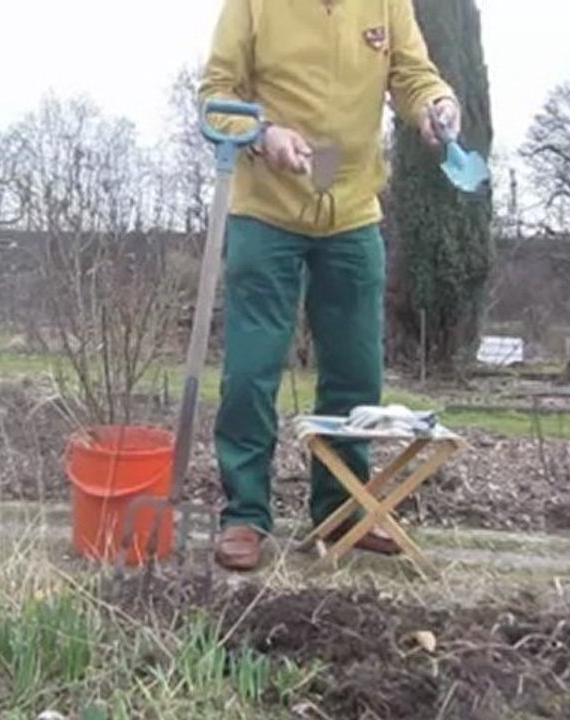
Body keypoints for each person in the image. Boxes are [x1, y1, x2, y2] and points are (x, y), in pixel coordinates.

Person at [198, 0, 462, 571]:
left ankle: (342, 510)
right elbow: (215, 94)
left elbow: (413, 72)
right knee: (251, 370)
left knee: (355, 373)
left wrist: (435, 103)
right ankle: (245, 516)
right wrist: (263, 133)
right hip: (265, 208)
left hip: (351, 212)